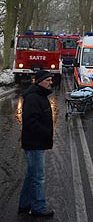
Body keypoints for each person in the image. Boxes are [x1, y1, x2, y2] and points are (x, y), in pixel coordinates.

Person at [18, 70, 54, 218]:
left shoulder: (39, 95)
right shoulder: (33, 98)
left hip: (36, 142)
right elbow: (30, 122)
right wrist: (46, 132)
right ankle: (38, 207)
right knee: (38, 177)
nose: (51, 83)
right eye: (48, 80)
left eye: (51, 80)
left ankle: (24, 204)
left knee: (31, 175)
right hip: (34, 144)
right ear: (39, 82)